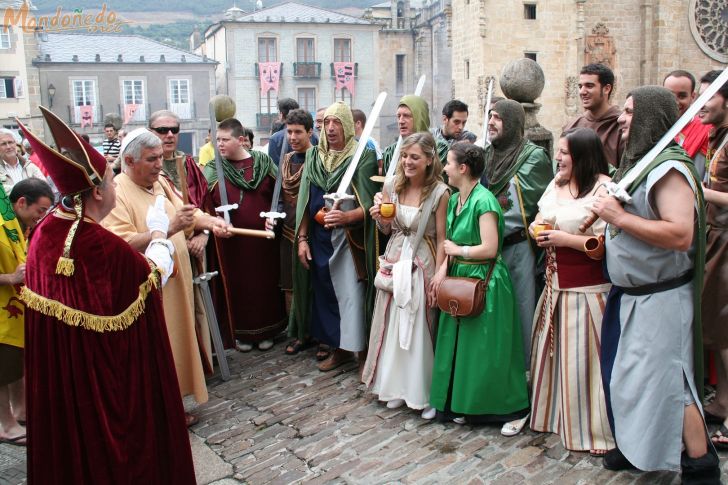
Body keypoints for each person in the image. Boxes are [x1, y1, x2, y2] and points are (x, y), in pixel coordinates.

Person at [17, 106, 195, 483]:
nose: (116, 186)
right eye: (112, 180)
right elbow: (149, 277)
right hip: (102, 381)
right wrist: (160, 235)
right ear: (97, 191)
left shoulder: (47, 229)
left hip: (62, 377)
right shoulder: (97, 243)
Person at [593, 86, 719, 482]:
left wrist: (617, 218)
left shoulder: (669, 168)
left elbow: (681, 234)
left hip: (661, 297)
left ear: (648, 115)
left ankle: (701, 464)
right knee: (633, 377)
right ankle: (636, 446)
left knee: (672, 381)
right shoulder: (643, 163)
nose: (622, 118)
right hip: (635, 295)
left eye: (630, 112)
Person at [103, 128, 232, 426]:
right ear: (130, 161)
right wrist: (170, 228)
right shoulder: (117, 191)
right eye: (152, 159)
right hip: (146, 290)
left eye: (161, 156)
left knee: (176, 342)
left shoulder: (160, 181)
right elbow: (119, 244)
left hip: (176, 285)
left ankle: (172, 404)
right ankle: (158, 414)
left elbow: (187, 213)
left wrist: (211, 222)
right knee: (154, 352)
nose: (160, 164)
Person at [429, 141, 529, 427]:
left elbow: (489, 247)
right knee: (464, 348)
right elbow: (450, 242)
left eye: (448, 163)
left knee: (489, 349)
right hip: (459, 279)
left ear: (463, 168)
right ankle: (465, 403)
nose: (444, 168)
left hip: (485, 282)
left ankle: (511, 410)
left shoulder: (484, 201)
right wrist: (441, 272)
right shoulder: (456, 198)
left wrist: (457, 252)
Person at [528, 127, 614, 455]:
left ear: (583, 155)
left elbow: (604, 247)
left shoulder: (604, 189)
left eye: (564, 152)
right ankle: (558, 417)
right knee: (557, 358)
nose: (558, 158)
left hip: (588, 292)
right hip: (554, 287)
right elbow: (540, 217)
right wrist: (538, 228)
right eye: (559, 151)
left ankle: (596, 432)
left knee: (586, 364)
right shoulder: (557, 184)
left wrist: (566, 241)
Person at [362, 132, 449, 418]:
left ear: (428, 159)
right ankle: (396, 387)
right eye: (404, 156)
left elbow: (441, 238)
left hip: (421, 262)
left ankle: (423, 393)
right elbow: (388, 230)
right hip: (396, 256)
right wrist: (382, 219)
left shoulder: (440, 192)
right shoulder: (392, 185)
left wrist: (438, 276)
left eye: (414, 157)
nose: (408, 162)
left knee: (418, 327)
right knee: (392, 322)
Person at [290, 102, 378, 371]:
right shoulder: (315, 156)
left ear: (348, 127)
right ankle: (339, 349)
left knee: (353, 295)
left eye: (336, 122)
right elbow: (305, 201)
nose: (330, 128)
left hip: (351, 242)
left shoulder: (362, 156)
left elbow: (370, 203)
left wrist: (346, 218)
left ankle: (362, 354)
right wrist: (303, 238)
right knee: (326, 296)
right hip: (319, 238)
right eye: (326, 123)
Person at [203, 118, 286, 352]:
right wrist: (215, 221)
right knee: (239, 285)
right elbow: (205, 205)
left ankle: (268, 330)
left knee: (264, 283)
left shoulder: (262, 162)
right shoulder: (211, 168)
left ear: (240, 140)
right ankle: (241, 333)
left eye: (225, 139)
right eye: (217, 139)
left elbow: (279, 194)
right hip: (232, 243)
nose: (219, 144)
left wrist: (275, 213)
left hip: (263, 240)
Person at [481, 99, 553, 366]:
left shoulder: (533, 157)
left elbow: (523, 203)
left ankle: (525, 374)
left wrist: (483, 211)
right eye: (490, 116)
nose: (490, 122)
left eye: (497, 117)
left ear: (511, 122)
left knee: (521, 310)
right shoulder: (486, 154)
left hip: (518, 247)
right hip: (485, 247)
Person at [150, 110, 213, 373]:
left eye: (174, 129)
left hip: (194, 250)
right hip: (158, 256)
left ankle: (198, 365)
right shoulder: (133, 171)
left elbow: (205, 207)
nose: (169, 135)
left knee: (196, 309)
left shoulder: (189, 165)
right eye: (162, 130)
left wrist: (202, 235)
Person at [0, 178, 53, 447]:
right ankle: (5, 424)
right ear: (22, 202)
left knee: (16, 365)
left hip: (16, 310)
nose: (41, 217)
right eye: (39, 210)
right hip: (2, 314)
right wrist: (9, 277)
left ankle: (20, 410)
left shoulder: (15, 222)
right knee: (2, 370)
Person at [263, 109, 314, 355]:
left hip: (311, 233)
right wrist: (275, 214)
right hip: (287, 231)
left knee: (313, 285)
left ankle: (315, 332)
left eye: (298, 132)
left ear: (310, 132)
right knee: (289, 286)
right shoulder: (284, 160)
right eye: (289, 132)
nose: (292, 137)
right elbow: (279, 194)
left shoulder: (317, 159)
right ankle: (296, 333)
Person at [696, 70, 728, 446]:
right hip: (715, 236)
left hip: (726, 238)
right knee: (719, 331)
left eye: (709, 97)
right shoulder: (717, 137)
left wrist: (701, 193)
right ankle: (721, 402)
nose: (701, 105)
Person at [563, 63, 624, 167]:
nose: (582, 91)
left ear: (607, 89)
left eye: (589, 86)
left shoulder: (622, 126)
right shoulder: (571, 126)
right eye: (580, 86)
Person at [382, 95, 449, 175]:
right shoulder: (391, 152)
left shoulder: (439, 148)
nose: (401, 121)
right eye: (398, 116)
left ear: (420, 118)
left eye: (406, 116)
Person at [664, 70, 712, 180]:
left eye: (682, 96)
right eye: (670, 95)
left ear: (693, 96)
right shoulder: (653, 128)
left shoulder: (705, 129)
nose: (675, 102)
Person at [0, 129, 45, 194]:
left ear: (15, 143)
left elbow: (44, 187)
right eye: (3, 144)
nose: (8, 147)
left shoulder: (29, 166)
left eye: (10, 142)